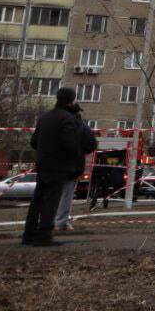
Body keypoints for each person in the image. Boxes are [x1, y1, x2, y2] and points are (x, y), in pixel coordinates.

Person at [22, 88, 91, 247]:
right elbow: (70, 144)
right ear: (71, 101)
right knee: (51, 201)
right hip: (59, 166)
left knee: (37, 200)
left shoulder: (44, 117)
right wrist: (76, 154)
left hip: (42, 165)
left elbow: (34, 142)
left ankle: (28, 235)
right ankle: (44, 236)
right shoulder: (67, 119)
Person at [52, 97, 96, 233]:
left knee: (51, 194)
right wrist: (80, 151)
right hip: (71, 165)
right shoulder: (79, 125)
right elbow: (91, 143)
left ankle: (47, 221)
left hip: (51, 164)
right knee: (66, 194)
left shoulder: (50, 120)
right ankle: (61, 222)